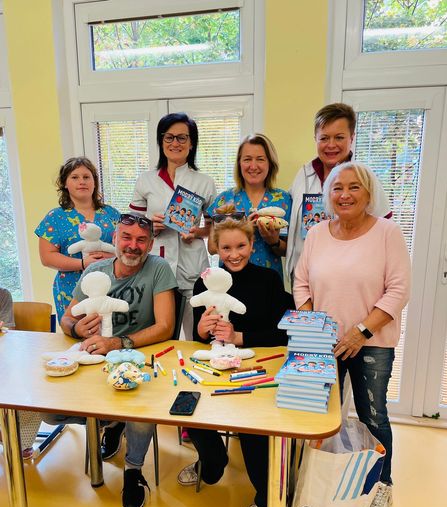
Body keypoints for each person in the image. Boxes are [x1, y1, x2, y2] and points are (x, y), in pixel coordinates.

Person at [293, 162, 411, 507]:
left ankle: (382, 484)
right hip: (322, 343)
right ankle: (317, 480)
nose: (345, 195)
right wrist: (316, 328)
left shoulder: (387, 233)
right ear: (328, 195)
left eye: (354, 187)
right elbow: (301, 283)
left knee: (372, 414)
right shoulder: (317, 233)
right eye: (337, 188)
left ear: (369, 193)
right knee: (318, 415)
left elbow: (398, 290)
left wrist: (360, 332)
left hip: (371, 342)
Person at [43, 214, 178, 507]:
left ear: (150, 244)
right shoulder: (95, 270)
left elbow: (165, 326)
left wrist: (117, 343)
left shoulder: (159, 268)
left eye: (141, 240)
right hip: (94, 358)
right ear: (114, 239)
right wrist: (77, 329)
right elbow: (67, 318)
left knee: (141, 411)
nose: (133, 245)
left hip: (138, 355)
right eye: (126, 237)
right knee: (49, 412)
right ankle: (110, 421)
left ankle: (133, 470)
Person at [177, 217, 294, 507]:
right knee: (186, 406)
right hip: (215, 365)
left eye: (241, 246)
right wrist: (202, 330)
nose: (234, 254)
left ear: (252, 245)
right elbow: (200, 337)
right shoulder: (205, 283)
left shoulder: (269, 280)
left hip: (259, 366)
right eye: (226, 247)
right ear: (216, 248)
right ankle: (213, 462)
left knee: (253, 428)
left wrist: (240, 337)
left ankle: (265, 498)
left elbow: (283, 333)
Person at [129, 112, 217, 339]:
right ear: (161, 141)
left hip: (192, 263)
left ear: (191, 143)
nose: (175, 143)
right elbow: (132, 227)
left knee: (197, 334)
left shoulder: (204, 182)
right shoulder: (146, 180)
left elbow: (213, 228)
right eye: (169, 137)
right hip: (156, 263)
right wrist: (150, 227)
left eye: (182, 138)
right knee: (158, 333)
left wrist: (196, 232)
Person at [286, 103, 392, 281]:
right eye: (324, 138)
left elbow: (384, 235)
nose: (331, 145)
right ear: (315, 138)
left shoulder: (366, 179)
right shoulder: (303, 175)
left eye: (339, 137)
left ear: (352, 137)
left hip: (347, 280)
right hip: (303, 279)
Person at [35, 157, 120, 323]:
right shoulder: (55, 218)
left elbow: (124, 248)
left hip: (111, 285)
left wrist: (110, 258)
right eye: (75, 177)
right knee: (78, 332)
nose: (82, 182)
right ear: (65, 184)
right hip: (71, 289)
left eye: (87, 177)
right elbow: (47, 257)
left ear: (94, 182)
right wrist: (83, 264)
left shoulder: (111, 214)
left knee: (111, 330)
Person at [207, 133, 291, 279]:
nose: (253, 166)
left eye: (260, 159)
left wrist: (274, 242)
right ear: (239, 163)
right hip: (231, 282)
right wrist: (241, 229)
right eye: (247, 159)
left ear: (270, 163)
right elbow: (212, 248)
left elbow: (289, 251)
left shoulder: (283, 200)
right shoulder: (224, 200)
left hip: (269, 282)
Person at [0, 288, 42, 458]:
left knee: (35, 385)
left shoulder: (2, 295)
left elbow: (8, 332)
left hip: (6, 356)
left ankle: (18, 438)